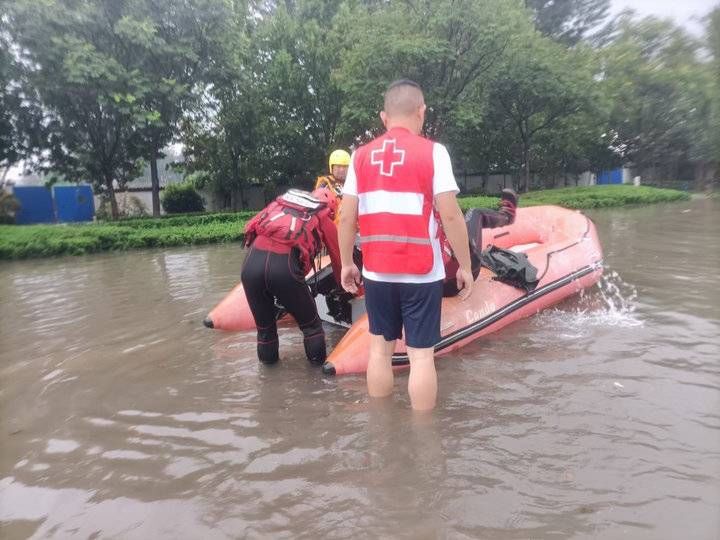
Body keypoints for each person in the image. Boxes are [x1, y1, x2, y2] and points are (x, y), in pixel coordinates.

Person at [337, 79, 473, 411]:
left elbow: (346, 218)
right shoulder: (434, 152)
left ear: (384, 117)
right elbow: (452, 216)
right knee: (421, 357)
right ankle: (424, 443)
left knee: (379, 352)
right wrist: (466, 266)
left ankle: (382, 433)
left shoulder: (360, 157)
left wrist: (345, 263)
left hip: (378, 273)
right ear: (421, 112)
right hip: (421, 273)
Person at [241, 187, 341, 366]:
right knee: (312, 327)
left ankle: (268, 380)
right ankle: (319, 379)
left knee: (265, 330)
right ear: (330, 208)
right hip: (283, 267)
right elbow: (338, 258)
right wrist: (345, 287)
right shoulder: (323, 217)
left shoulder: (278, 205)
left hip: (250, 266)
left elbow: (251, 229)